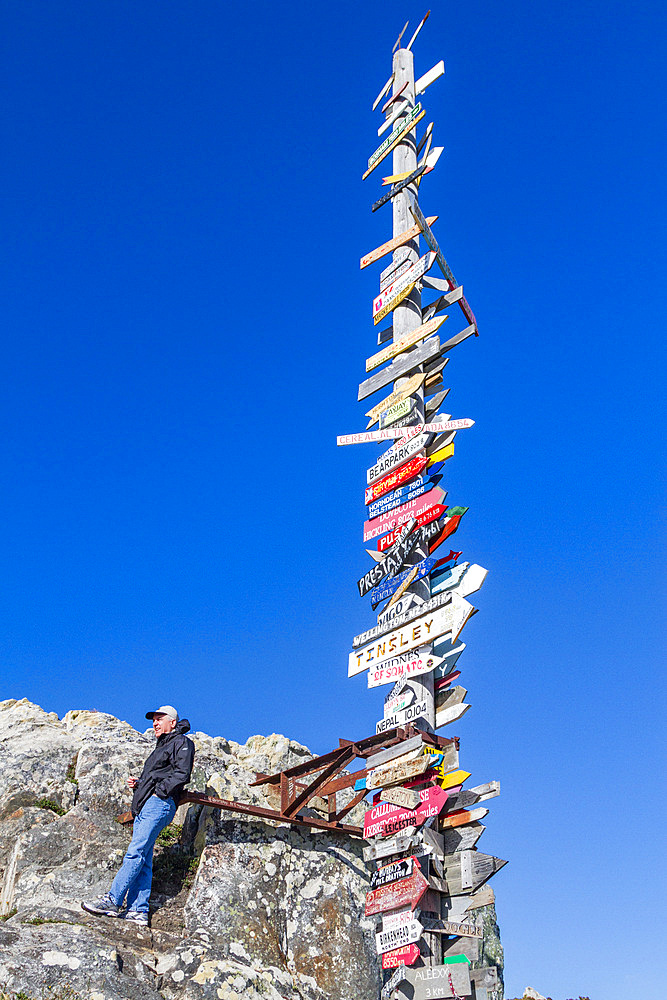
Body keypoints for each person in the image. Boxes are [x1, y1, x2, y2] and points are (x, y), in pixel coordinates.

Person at [82, 705, 194, 926]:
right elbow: (161, 775)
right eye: (153, 719)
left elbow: (182, 774)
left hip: (159, 804)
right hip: (147, 806)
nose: (154, 723)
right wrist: (141, 784)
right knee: (143, 858)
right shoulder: (161, 747)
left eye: (159, 719)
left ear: (172, 722)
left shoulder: (182, 742)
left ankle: (113, 900)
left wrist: (159, 793)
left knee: (135, 853)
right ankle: (137, 911)